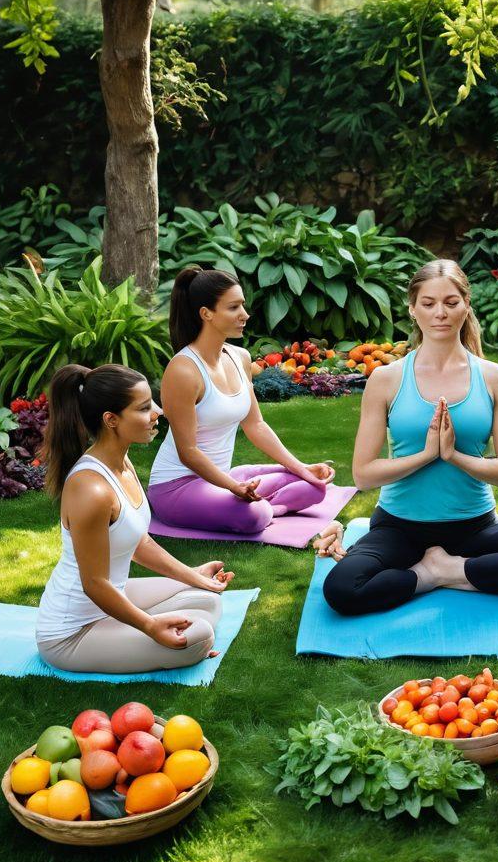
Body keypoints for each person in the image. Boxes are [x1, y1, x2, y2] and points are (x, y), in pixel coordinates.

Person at [323, 259, 498, 615]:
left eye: (451, 303)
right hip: (399, 528)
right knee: (342, 588)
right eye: (429, 303)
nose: (440, 313)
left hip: (473, 527)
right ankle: (429, 574)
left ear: (466, 306)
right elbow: (363, 474)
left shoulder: (494, 378)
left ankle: (449, 569)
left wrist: (454, 456)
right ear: (413, 309)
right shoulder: (386, 379)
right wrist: (426, 455)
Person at [36, 364, 234, 673]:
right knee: (198, 635)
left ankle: (152, 641)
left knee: (208, 601)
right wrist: (150, 626)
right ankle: (166, 644)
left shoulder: (122, 462)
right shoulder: (93, 490)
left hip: (114, 599)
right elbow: (95, 584)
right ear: (111, 420)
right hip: (73, 632)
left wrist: (194, 575)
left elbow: (139, 542)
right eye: (144, 408)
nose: (158, 412)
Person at [148, 267, 344, 557]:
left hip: (225, 477)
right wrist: (235, 488)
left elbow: (256, 425)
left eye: (243, 304)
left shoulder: (240, 357)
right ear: (206, 314)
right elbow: (187, 451)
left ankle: (259, 502)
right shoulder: (183, 370)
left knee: (315, 487)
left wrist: (300, 467)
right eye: (233, 307)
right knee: (255, 517)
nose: (244, 314)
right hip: (178, 487)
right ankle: (262, 507)